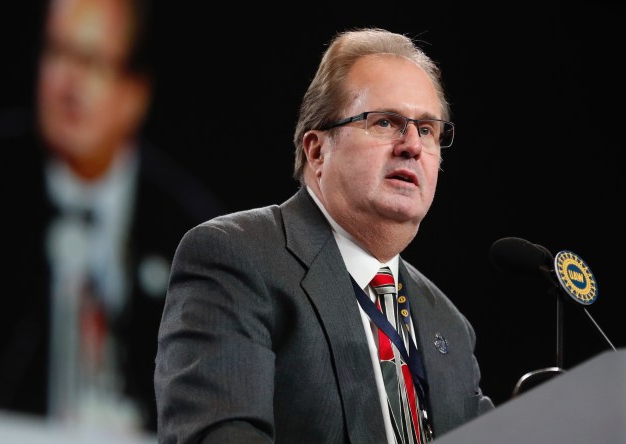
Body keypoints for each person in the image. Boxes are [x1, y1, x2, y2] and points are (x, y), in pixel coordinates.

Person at [154, 27, 495, 443]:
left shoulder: (450, 324)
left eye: (426, 129)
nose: (412, 146)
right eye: (385, 122)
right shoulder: (236, 258)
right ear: (317, 150)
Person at [0, 0, 226, 435]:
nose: (70, 85)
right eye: (58, 53)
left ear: (135, 93)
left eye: (92, 63)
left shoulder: (194, 236)